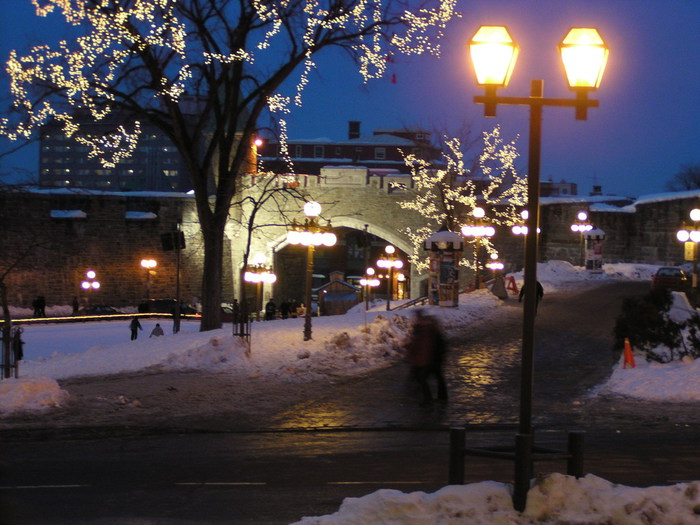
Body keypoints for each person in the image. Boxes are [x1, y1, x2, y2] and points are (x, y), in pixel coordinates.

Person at [405, 309, 448, 406]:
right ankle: (439, 397)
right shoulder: (428, 329)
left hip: (428, 359)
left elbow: (422, 345)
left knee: (423, 378)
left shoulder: (424, 329)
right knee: (434, 377)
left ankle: (429, 399)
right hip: (431, 358)